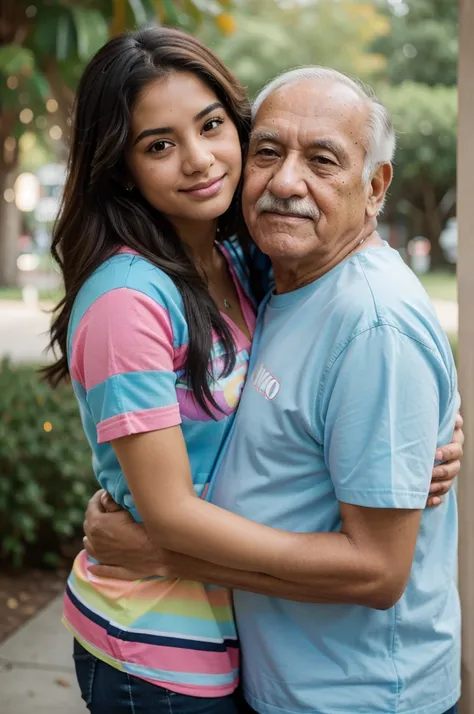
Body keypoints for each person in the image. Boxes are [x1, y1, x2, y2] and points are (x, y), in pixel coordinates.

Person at [84, 67, 462, 714]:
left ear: (374, 187)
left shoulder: (371, 324)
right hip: (241, 667)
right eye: (268, 151)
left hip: (354, 695)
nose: (287, 182)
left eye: (323, 160)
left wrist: (164, 552)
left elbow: (378, 571)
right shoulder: (269, 274)